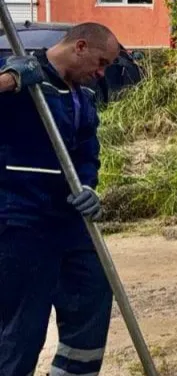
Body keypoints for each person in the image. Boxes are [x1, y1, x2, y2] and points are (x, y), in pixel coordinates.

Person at [0, 22, 120, 376]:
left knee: (93, 292)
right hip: (21, 219)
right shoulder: (22, 78)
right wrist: (9, 81)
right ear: (80, 46)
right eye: (100, 63)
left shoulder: (83, 97)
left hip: (70, 221)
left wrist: (89, 188)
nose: (101, 74)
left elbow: (87, 153)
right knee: (22, 326)